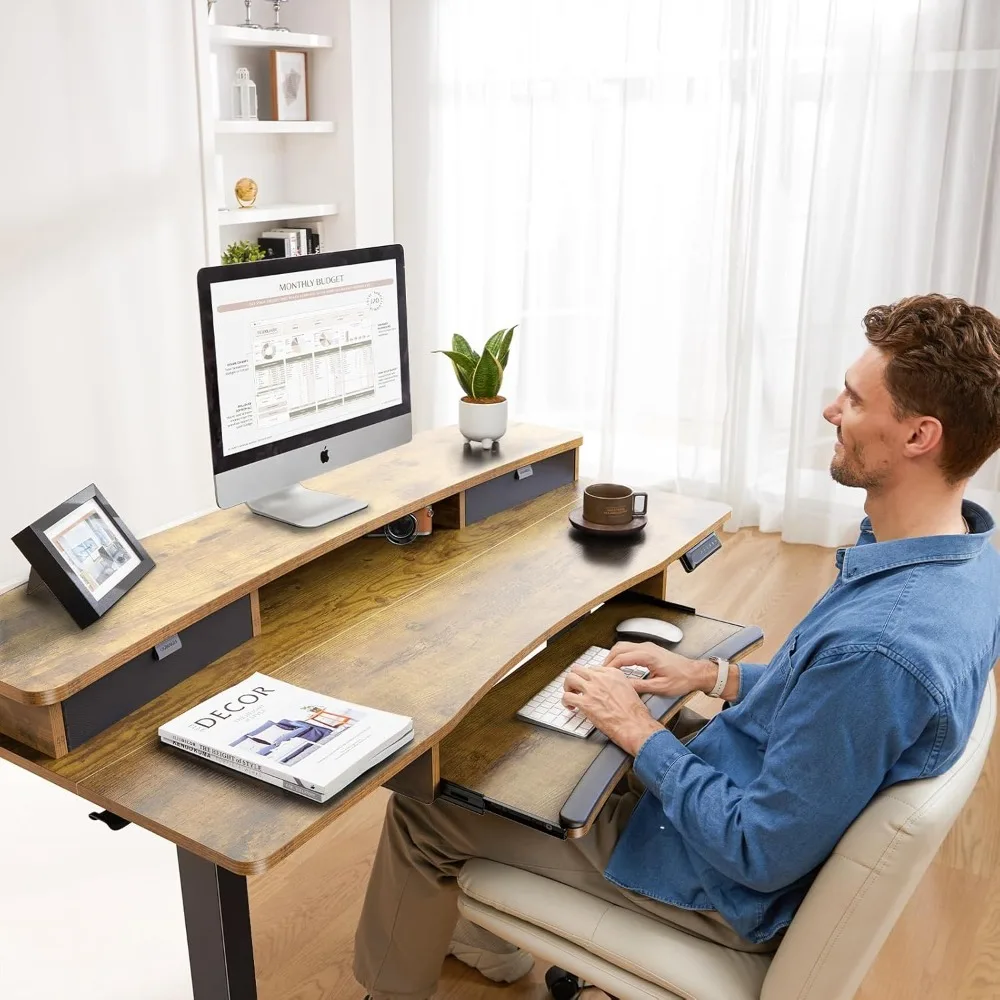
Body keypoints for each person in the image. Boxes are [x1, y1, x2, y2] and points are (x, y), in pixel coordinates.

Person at [355, 294, 1000, 1000]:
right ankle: (488, 942)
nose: (830, 411)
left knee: (423, 806)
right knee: (536, 749)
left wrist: (638, 735)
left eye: (852, 398)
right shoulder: (961, 559)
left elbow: (757, 849)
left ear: (920, 436)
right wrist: (708, 673)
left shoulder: (880, 653)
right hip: (744, 781)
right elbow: (825, 702)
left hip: (711, 874)